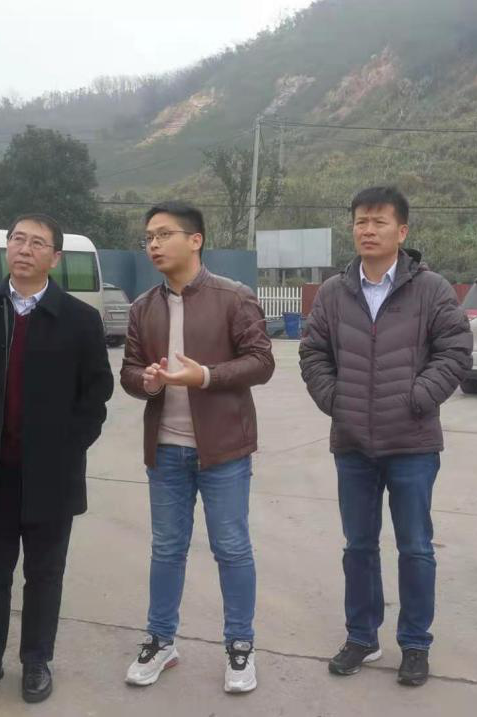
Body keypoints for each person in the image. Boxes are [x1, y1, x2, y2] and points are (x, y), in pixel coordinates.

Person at [300, 186, 472, 688]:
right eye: (360, 221)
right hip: (352, 443)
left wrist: (418, 397)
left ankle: (415, 644)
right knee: (358, 546)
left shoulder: (431, 289)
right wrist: (337, 400)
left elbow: (456, 350)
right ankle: (362, 636)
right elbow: (313, 353)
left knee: (415, 547)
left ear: (402, 231)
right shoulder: (334, 292)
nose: (368, 230)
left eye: (379, 222)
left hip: (412, 443)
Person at [0, 213, 113, 708]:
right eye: (18, 239)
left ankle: (37, 659)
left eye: (38, 243)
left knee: (44, 575)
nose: (25, 249)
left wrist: (67, 447)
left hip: (50, 476)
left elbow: (96, 395)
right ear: (6, 248)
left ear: (54, 258)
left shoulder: (79, 319)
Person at [120, 201, 275, 694]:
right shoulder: (143, 306)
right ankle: (161, 640)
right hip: (165, 449)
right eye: (149, 236)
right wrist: (146, 381)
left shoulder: (234, 297)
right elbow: (128, 370)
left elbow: (262, 362)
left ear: (196, 240)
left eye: (164, 234)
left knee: (232, 548)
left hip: (224, 450)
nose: (154, 244)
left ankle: (240, 645)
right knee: (167, 549)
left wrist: (205, 376)